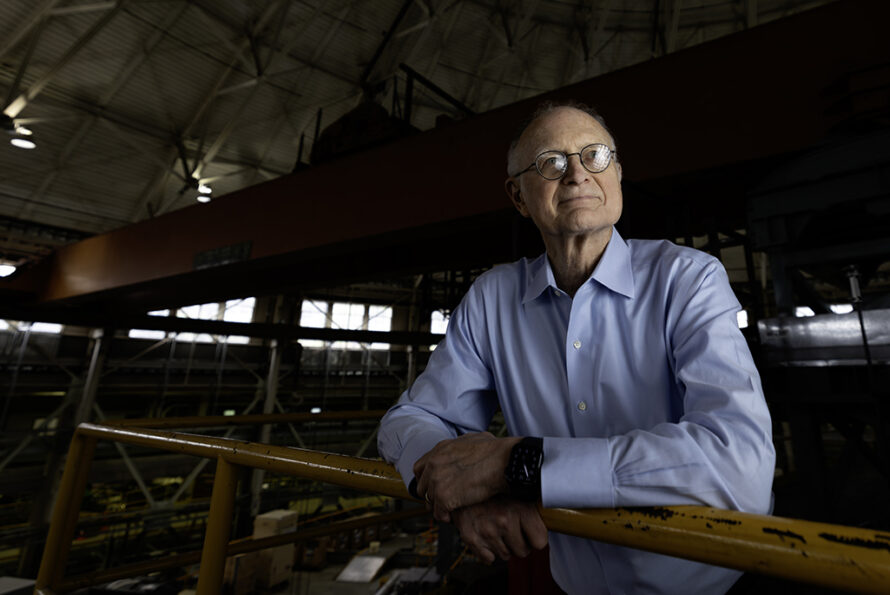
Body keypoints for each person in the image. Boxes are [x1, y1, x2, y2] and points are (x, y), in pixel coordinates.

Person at [377, 101, 775, 594]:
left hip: (702, 585)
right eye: (551, 162)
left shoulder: (688, 279)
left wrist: (515, 466)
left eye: (595, 156)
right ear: (518, 197)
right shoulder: (491, 298)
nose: (577, 175)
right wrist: (465, 491)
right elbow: (405, 422)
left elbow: (740, 465)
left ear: (619, 174)